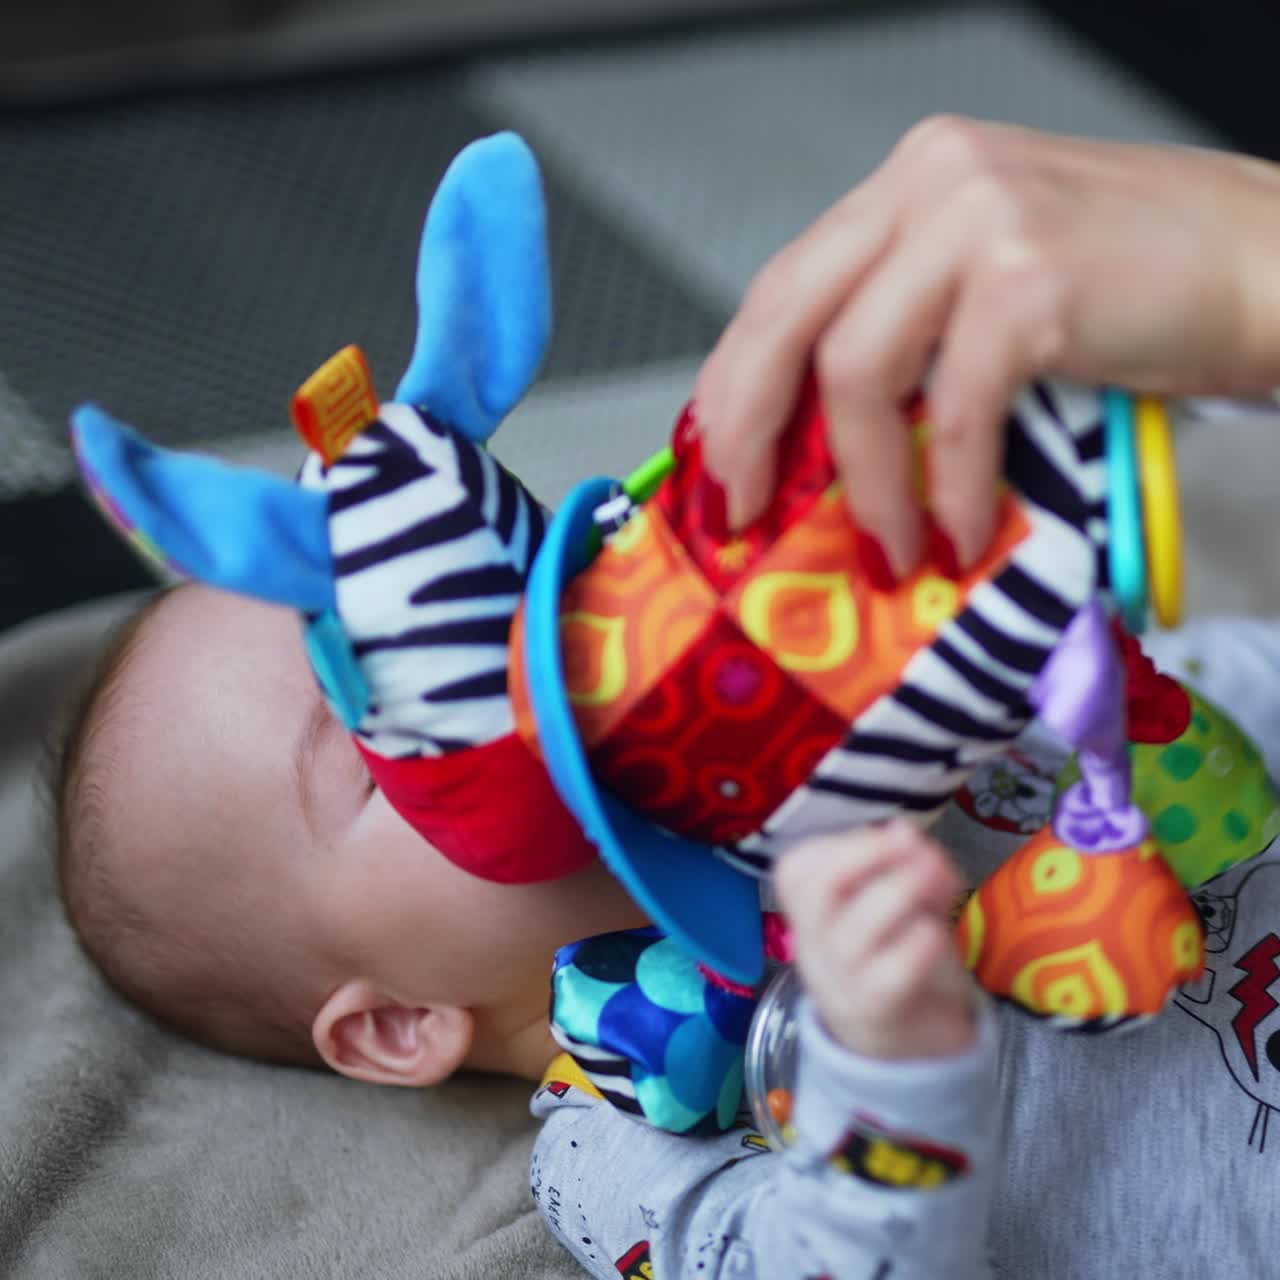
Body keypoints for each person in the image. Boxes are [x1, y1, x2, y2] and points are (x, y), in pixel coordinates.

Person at [52, 116, 1280, 1278]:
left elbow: (1217, 692)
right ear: (398, 1024)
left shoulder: (849, 723)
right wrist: (882, 1065)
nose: (528, 679)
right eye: (379, 761)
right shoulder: (613, 1153)